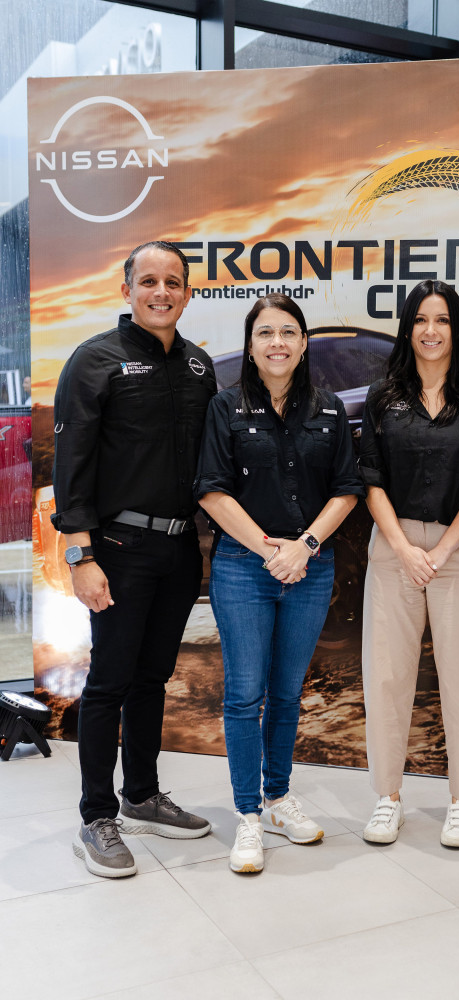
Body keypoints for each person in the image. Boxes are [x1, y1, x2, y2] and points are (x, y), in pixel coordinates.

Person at [52, 241, 217, 879]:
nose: (161, 292)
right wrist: (80, 554)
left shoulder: (201, 368)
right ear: (127, 289)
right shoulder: (95, 361)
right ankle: (98, 817)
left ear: (187, 292)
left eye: (173, 282)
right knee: (110, 683)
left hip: (179, 551)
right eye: (148, 281)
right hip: (117, 551)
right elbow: (73, 468)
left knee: (152, 680)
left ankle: (142, 796)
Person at [194, 293, 363, 874]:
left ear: (303, 342)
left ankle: (277, 797)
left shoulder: (330, 408)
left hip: (309, 568)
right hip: (245, 568)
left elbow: (347, 489)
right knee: (245, 694)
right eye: (265, 333)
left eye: (288, 332)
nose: (277, 343)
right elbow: (212, 491)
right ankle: (246, 815)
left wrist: (305, 547)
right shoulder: (225, 407)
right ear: (250, 344)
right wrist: (269, 550)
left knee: (288, 693)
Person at [359, 279, 459, 848]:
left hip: (458, 548)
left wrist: (439, 551)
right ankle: (388, 798)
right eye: (421, 320)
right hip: (393, 549)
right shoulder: (383, 397)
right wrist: (404, 548)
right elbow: (370, 480)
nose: (431, 331)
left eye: (442, 320)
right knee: (386, 676)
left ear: (456, 329)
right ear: (408, 328)